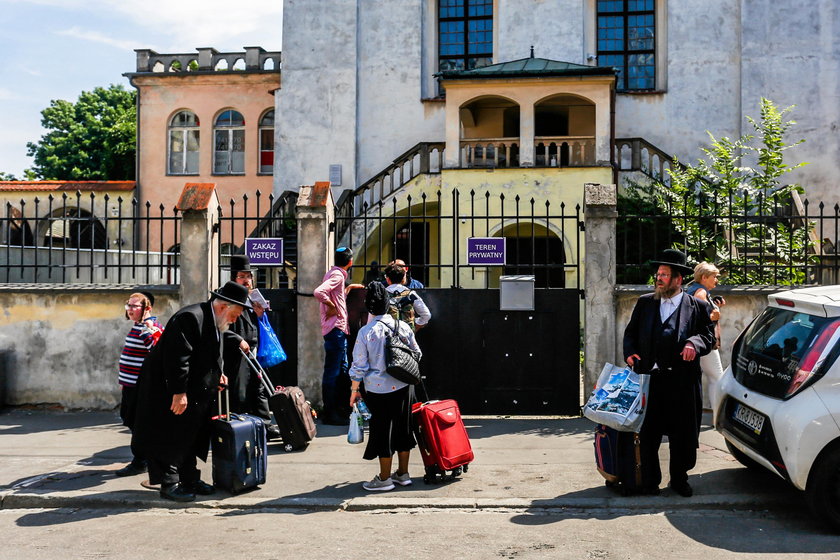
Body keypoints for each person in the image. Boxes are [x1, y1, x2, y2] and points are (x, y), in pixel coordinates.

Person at [131, 282, 251, 502]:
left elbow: (213, 351)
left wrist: (219, 374)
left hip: (195, 390)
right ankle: (170, 483)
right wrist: (179, 393)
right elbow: (178, 359)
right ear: (224, 306)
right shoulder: (190, 317)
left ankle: (190, 479)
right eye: (236, 314)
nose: (236, 319)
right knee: (173, 435)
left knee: (191, 435)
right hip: (170, 390)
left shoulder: (215, 320)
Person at [623, 249, 715, 498]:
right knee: (649, 434)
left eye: (664, 274)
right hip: (649, 381)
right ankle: (650, 481)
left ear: (678, 279)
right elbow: (630, 334)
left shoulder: (697, 306)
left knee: (682, 434)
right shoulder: (645, 302)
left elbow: (708, 337)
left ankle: (679, 479)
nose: (659, 278)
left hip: (681, 382)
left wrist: (693, 343)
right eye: (658, 274)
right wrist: (630, 352)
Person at [349, 281, 422, 491]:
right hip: (404, 385)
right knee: (403, 429)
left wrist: (354, 391)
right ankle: (403, 474)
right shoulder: (402, 326)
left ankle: (384, 478)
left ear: (369, 306)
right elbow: (417, 353)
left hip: (378, 389)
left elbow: (359, 367)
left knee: (382, 432)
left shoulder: (366, 332)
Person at [222, 255, 280, 440]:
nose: (247, 280)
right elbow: (219, 326)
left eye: (248, 276)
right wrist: (237, 339)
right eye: (242, 276)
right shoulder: (225, 296)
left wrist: (259, 314)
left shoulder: (252, 297)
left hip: (253, 351)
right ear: (233, 278)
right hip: (236, 353)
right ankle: (238, 427)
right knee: (239, 390)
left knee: (260, 387)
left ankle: (264, 425)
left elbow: (258, 324)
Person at [313, 246, 364, 425]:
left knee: (342, 370)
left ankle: (339, 409)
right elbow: (319, 292)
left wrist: (347, 289)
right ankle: (330, 413)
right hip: (335, 330)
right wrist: (332, 306)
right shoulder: (337, 275)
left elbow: (334, 294)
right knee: (333, 373)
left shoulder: (334, 274)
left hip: (337, 330)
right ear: (350, 262)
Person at [114, 292, 163, 477]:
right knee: (129, 418)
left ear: (147, 308)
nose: (130, 309)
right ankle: (146, 458)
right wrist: (124, 382)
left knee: (138, 423)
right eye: (129, 305)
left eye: (135, 306)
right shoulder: (138, 325)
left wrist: (150, 330)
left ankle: (141, 460)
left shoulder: (149, 327)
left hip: (141, 387)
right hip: (130, 385)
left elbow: (157, 352)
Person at [685, 262, 726, 410]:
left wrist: (715, 304)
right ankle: (717, 417)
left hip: (697, 341)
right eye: (714, 277)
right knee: (716, 378)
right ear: (704, 277)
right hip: (704, 341)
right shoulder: (700, 293)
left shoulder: (695, 290)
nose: (716, 280)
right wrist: (713, 317)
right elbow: (698, 317)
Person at [380, 262, 431, 331]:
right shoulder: (411, 294)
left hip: (387, 333)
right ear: (402, 278)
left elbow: (374, 318)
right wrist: (414, 325)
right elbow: (426, 315)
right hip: (406, 334)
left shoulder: (381, 295)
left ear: (388, 279)